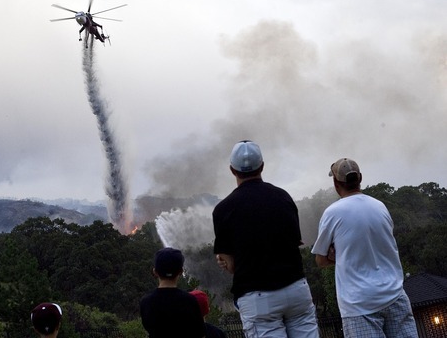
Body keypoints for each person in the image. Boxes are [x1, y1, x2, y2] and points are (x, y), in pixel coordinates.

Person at [213, 140, 319, 338]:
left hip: (258, 298)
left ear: (232, 170)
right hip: (296, 289)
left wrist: (225, 261)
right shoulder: (283, 198)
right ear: (262, 166)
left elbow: (232, 265)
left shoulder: (223, 210)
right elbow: (293, 242)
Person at [311, 158, 419, 338]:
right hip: (395, 296)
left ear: (336, 184)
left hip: (359, 305)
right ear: (360, 178)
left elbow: (320, 260)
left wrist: (340, 254)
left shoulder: (332, 213)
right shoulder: (380, 206)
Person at [140, 247, 206, 338]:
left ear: (155, 272)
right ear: (181, 271)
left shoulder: (146, 302)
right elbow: (200, 332)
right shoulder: (190, 300)